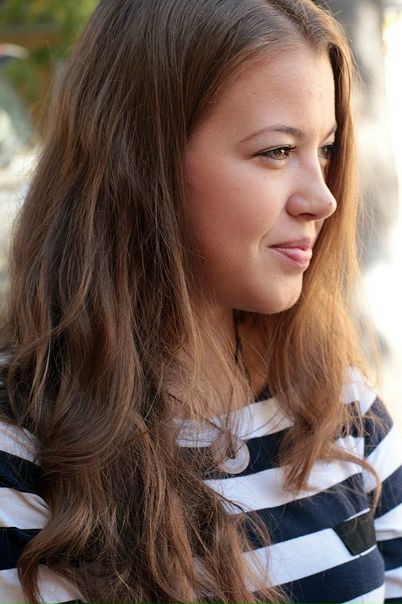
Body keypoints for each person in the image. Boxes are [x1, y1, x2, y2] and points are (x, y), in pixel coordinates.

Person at [0, 0, 401, 603]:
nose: (324, 199)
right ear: (141, 161)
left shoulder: (342, 406)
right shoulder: (20, 454)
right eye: (276, 151)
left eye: (325, 149)